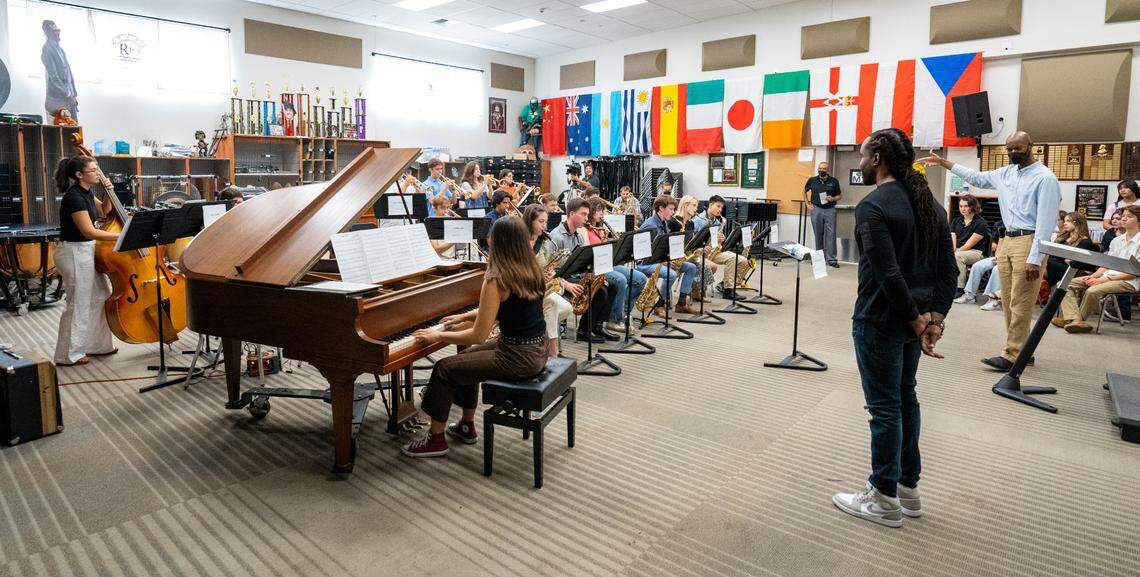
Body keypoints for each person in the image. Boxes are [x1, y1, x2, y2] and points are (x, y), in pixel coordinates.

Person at [832, 128, 956, 529]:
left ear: (877, 158)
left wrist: (919, 320)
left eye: (863, 156)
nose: (860, 163)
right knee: (905, 399)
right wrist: (934, 318)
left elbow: (887, 274)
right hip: (914, 321)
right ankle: (908, 489)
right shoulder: (931, 204)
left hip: (881, 320)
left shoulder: (873, 205)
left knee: (885, 408)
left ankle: (884, 496)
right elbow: (948, 271)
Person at [401, 216, 548, 457]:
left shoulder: (496, 279)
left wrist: (438, 336)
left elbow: (479, 335)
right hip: (536, 349)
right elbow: (504, 309)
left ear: (496, 242)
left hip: (516, 356)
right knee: (467, 358)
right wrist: (464, 316)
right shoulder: (532, 270)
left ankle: (436, 440)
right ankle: (466, 425)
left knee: (444, 368)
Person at [920, 131, 1061, 372]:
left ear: (1031, 146)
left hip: (1029, 241)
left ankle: (1013, 354)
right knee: (1007, 300)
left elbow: (1046, 223)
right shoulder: (1005, 173)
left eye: (1018, 148)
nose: (1013, 153)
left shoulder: (1045, 178)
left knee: (1021, 301)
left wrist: (1036, 257)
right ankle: (1023, 350)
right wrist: (944, 163)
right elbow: (975, 177)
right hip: (1007, 240)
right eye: (1009, 149)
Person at [53, 156, 121, 366]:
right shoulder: (74, 197)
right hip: (74, 252)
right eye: (94, 170)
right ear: (79, 175)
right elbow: (88, 231)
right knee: (78, 303)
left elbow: (103, 211)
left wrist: (109, 192)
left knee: (101, 295)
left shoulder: (87, 192)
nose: (98, 173)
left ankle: (97, 345)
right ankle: (68, 355)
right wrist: (121, 236)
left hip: (86, 250)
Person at [1052, 205, 1140, 333]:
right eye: (1124, 216)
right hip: (1107, 276)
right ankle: (1075, 320)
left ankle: (1073, 320)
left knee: (1092, 291)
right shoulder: (1116, 240)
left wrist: (1102, 280)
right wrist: (1093, 276)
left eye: (1129, 216)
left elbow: (1135, 273)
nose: (1124, 219)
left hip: (1128, 281)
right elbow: (1106, 264)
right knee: (1063, 284)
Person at [548, 198, 620, 342]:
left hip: (577, 275)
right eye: (583, 214)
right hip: (562, 279)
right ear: (571, 214)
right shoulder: (556, 237)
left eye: (587, 215)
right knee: (600, 292)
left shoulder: (579, 236)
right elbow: (549, 270)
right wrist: (566, 285)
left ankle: (597, 326)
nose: (587, 218)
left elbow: (584, 262)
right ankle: (584, 330)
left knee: (612, 285)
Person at [584, 197, 647, 334]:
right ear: (590, 212)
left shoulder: (601, 228)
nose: (602, 214)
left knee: (640, 278)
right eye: (598, 211)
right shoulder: (585, 230)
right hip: (595, 266)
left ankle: (622, 311)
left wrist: (615, 243)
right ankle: (614, 320)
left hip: (608, 263)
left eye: (602, 211)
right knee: (620, 280)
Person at [638, 195, 699, 316]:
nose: (673, 212)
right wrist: (666, 261)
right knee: (671, 274)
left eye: (674, 209)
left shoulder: (664, 222)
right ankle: (659, 305)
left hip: (660, 260)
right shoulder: (650, 225)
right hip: (646, 262)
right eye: (671, 209)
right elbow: (645, 253)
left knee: (691, 267)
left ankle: (681, 304)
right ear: (661, 208)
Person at [524, 205, 573, 357]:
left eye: (545, 222)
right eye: (541, 222)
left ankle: (540, 343)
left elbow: (548, 263)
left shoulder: (544, 242)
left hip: (542, 288)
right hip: (525, 289)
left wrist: (551, 272)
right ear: (529, 221)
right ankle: (553, 351)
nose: (544, 226)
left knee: (567, 308)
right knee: (551, 307)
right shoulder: (520, 242)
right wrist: (538, 275)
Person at [693, 195, 752, 298]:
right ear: (710, 205)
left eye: (722, 207)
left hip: (713, 252)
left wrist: (720, 240)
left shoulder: (717, 222)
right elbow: (693, 242)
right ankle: (728, 290)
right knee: (732, 259)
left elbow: (714, 242)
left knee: (743, 260)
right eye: (718, 206)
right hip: (700, 253)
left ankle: (724, 284)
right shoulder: (698, 220)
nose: (720, 209)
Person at [672, 195, 716, 303]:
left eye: (696, 206)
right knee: (675, 271)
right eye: (694, 205)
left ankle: (695, 292)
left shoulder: (690, 223)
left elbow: (692, 243)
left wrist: (700, 249)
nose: (696, 209)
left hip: (686, 255)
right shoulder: (674, 221)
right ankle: (665, 298)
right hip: (674, 256)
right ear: (685, 205)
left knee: (705, 266)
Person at [950, 194, 991, 291]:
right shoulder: (956, 221)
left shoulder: (981, 223)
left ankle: (959, 288)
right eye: (960, 206)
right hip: (958, 250)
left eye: (966, 206)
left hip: (976, 252)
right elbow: (953, 239)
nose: (962, 209)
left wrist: (954, 253)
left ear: (973, 207)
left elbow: (968, 245)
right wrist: (952, 251)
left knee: (957, 257)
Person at [805, 161, 842, 268]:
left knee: (831, 234)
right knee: (818, 234)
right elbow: (804, 190)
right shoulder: (812, 180)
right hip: (816, 210)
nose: (821, 170)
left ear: (827, 170)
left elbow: (840, 196)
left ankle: (831, 259)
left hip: (830, 210)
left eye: (824, 168)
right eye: (820, 168)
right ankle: (819, 258)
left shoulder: (834, 181)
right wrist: (807, 203)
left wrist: (833, 198)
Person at [1046, 211, 1098, 286]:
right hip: (1060, 266)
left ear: (1077, 223)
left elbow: (1076, 263)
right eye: (1064, 221)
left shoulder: (1085, 241)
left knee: (1050, 262)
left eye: (1068, 221)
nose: (1064, 223)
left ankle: (1047, 287)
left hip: (1073, 271)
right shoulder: (1063, 238)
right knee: (1045, 261)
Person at [41, 20, 77, 122]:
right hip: (58, 100)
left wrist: (72, 93)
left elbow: (67, 73)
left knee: (74, 128)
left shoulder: (60, 49)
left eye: (58, 30)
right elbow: (54, 77)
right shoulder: (47, 50)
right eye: (55, 31)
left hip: (68, 98)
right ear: (47, 33)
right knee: (63, 129)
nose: (58, 33)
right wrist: (68, 95)